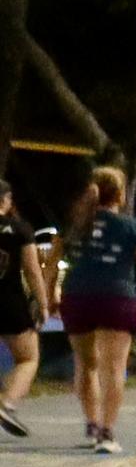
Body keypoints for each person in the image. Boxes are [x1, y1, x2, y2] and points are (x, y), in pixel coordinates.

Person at [57, 164, 136, 456]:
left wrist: (48, 296)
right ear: (119, 194)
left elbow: (53, 259)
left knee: (85, 364)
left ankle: (91, 426)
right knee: (113, 368)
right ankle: (107, 432)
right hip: (116, 300)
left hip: (76, 300)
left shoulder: (75, 224)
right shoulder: (131, 227)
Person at [0, 176, 47, 438]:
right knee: (28, 358)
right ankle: (6, 405)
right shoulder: (20, 229)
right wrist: (42, 302)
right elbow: (31, 270)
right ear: (6, 201)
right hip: (9, 302)